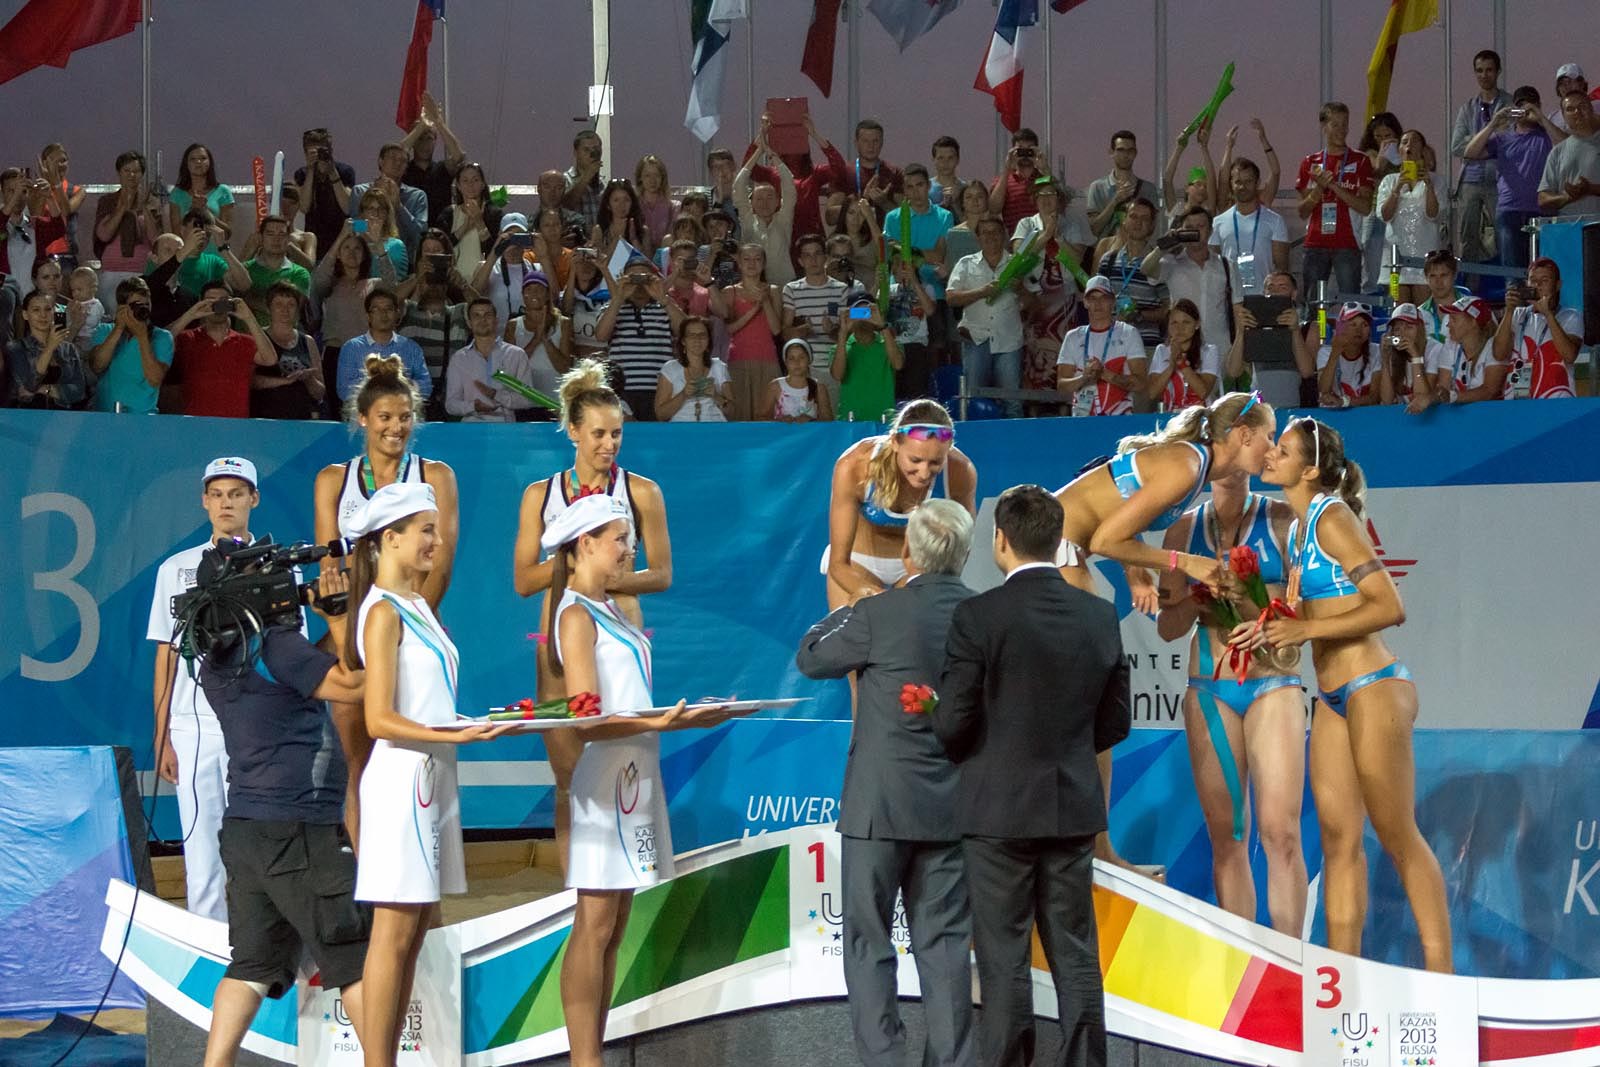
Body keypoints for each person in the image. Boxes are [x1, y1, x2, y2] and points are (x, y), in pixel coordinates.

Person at [930, 484, 1129, 1067]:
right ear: (1057, 539)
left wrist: (964, 745)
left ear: (1000, 539)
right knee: (1076, 955)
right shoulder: (1098, 614)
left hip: (996, 813)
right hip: (1071, 808)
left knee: (1004, 960)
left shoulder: (977, 616)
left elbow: (954, 721)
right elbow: (1115, 721)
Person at [1244, 418, 1452, 972]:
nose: (1270, 455)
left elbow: (1390, 606)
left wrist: (1305, 629)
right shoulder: (1297, 529)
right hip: (1332, 695)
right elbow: (1308, 616)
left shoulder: (1332, 517)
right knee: (1338, 841)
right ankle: (1342, 981)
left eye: (1282, 450)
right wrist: (1269, 625)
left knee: (1396, 835)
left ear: (1310, 469)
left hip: (1374, 686)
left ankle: (1442, 979)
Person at [541, 494, 736, 1067]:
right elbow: (587, 718)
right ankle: (584, 1059)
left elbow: (631, 702)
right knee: (595, 922)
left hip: (635, 773)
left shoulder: (612, 609)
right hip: (606, 782)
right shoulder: (575, 615)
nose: (631, 550)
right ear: (585, 545)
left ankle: (593, 1051)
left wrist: (687, 718)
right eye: (620, 540)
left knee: (616, 924)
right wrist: (665, 721)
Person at [796, 499, 978, 1067]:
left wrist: (849, 605)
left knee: (868, 942)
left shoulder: (879, 613)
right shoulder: (986, 616)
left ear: (907, 554)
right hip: (952, 809)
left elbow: (811, 658)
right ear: (965, 555)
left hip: (878, 808)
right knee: (946, 947)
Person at [345, 482, 509, 1067]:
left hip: (431, 777)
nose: (438, 541)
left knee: (414, 933)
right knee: (392, 933)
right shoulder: (382, 612)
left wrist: (470, 724)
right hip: (399, 783)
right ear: (389, 538)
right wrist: (453, 734)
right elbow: (379, 718)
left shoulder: (418, 606)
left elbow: (428, 703)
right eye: (426, 530)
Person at [197, 552, 368, 1067]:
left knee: (251, 964)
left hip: (246, 828)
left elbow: (300, 671)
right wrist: (340, 617)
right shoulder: (275, 645)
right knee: (353, 957)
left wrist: (325, 628)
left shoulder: (221, 656)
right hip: (300, 829)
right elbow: (353, 685)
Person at [511, 362, 673, 875]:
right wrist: (578, 559)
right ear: (573, 432)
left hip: (621, 634)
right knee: (568, 777)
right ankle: (574, 888)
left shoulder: (641, 491)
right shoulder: (541, 495)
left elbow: (662, 573)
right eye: (599, 434)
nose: (609, 444)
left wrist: (606, 578)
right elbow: (523, 580)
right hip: (560, 640)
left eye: (617, 433)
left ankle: (628, 880)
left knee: (626, 762)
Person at [1155, 471, 1306, 934]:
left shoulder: (1283, 520)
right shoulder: (1182, 531)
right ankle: (1245, 958)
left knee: (1280, 832)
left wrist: (1252, 599)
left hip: (1272, 683)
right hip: (1210, 688)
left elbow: (1304, 612)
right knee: (1228, 837)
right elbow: (1168, 628)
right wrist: (1198, 597)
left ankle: (1291, 958)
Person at [147, 457, 263, 924]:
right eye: (217, 495)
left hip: (254, 727)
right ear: (204, 502)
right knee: (201, 854)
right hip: (193, 728)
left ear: (253, 499)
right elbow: (167, 653)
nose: (225, 503)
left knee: (260, 845)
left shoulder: (275, 566)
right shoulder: (176, 569)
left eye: (236, 494)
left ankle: (264, 950)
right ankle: (209, 952)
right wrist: (162, 734)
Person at [824, 399, 977, 609]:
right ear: (895, 442)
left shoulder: (961, 472)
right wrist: (885, 602)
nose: (924, 473)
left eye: (935, 462)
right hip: (856, 562)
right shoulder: (854, 466)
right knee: (854, 629)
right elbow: (838, 564)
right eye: (915, 460)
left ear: (949, 449)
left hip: (919, 566)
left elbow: (962, 550)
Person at [1462, 85, 1561, 272]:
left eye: (1530, 105)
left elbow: (1566, 146)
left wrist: (1541, 118)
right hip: (1509, 212)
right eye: (1520, 106)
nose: (1524, 111)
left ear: (1538, 106)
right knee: (1513, 274)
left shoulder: (1545, 136)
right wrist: (1493, 124)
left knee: (1543, 272)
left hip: (1542, 211)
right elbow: (1470, 152)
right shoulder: (1503, 138)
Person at [947, 216, 1031, 417]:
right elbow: (951, 298)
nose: (991, 236)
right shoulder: (966, 264)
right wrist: (982, 292)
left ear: (1004, 236)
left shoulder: (1017, 264)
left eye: (995, 232)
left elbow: (1035, 303)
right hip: (976, 339)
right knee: (973, 400)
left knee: (1012, 402)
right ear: (977, 237)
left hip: (1009, 341)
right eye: (985, 232)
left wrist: (1021, 289)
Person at [1296, 102, 1374, 299]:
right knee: (1313, 304)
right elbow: (1302, 211)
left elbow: (1365, 207)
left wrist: (1334, 186)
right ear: (1324, 127)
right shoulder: (1310, 163)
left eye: (1345, 124)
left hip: (1347, 242)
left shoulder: (1360, 160)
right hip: (1315, 243)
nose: (1341, 130)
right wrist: (1319, 188)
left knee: (1351, 304)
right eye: (1335, 124)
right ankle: (1315, 322)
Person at [167, 281, 276, 418]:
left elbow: (270, 359)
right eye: (211, 301)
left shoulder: (245, 342)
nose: (217, 306)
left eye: (223, 301)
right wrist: (190, 314)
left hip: (235, 424)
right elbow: (159, 342)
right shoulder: (187, 338)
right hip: (195, 423)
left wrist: (248, 318)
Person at [595, 257, 682, 421]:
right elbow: (601, 336)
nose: (639, 283)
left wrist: (662, 298)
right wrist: (619, 298)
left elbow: (685, 331)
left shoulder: (665, 306)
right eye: (633, 278)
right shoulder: (612, 306)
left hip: (660, 389)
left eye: (644, 277)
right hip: (622, 389)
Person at [1450, 49, 1514, 271]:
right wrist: (1489, 138)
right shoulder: (1467, 108)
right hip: (1470, 179)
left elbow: (1511, 141)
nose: (1484, 75)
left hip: (1500, 180)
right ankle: (1470, 285)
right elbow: (1457, 147)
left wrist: (1476, 145)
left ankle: (1507, 284)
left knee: (1504, 236)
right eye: (1479, 71)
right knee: (1467, 238)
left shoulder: (1509, 104)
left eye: (1489, 70)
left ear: (1498, 71)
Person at [1142, 206, 1231, 353]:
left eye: (1200, 226)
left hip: (1220, 348)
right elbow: (1146, 269)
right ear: (1181, 231)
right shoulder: (1171, 262)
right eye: (1189, 228)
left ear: (1210, 231)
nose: (1195, 231)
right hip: (1183, 348)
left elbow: (1236, 308)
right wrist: (1164, 246)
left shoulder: (1226, 265)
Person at [1055, 275, 1147, 417]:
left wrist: (1104, 374)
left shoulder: (1128, 333)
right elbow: (1061, 386)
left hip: (1119, 418)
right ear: (1085, 302)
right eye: (1093, 298)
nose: (1098, 303)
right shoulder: (1073, 337)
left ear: (1112, 301)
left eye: (1104, 298)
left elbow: (1141, 384)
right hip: (1082, 420)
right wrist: (1084, 378)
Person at [1497, 257, 1581, 399]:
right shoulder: (1517, 314)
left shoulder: (1571, 316)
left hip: (1557, 400)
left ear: (1558, 285)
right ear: (1527, 283)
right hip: (1518, 401)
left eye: (1544, 280)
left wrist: (1548, 314)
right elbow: (1499, 354)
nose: (1538, 285)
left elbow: (1570, 355)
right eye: (1533, 280)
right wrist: (1509, 311)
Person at [444, 297, 540, 423]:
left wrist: (496, 395)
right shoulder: (459, 358)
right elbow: (451, 404)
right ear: (469, 323)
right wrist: (473, 406)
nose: (482, 320)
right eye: (476, 315)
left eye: (487, 315)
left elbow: (528, 399)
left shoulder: (516, 355)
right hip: (471, 427)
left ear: (496, 321)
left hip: (505, 428)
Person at [1092, 197, 1168, 355]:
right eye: (1133, 216)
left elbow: (1168, 310)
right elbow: (1096, 300)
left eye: (1144, 218)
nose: (1138, 222)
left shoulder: (1158, 262)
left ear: (1152, 226)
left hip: (1145, 346)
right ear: (1124, 221)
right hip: (1110, 343)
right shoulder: (1108, 260)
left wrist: (1139, 315)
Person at [88, 276, 173, 413]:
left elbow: (154, 379)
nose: (143, 309)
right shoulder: (104, 330)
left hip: (142, 416)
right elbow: (97, 366)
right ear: (122, 307)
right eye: (136, 305)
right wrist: (118, 328)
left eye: (146, 305)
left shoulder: (162, 337)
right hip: (105, 414)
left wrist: (142, 337)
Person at [1375, 131, 1442, 304]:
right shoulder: (1389, 181)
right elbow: (1385, 215)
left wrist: (1429, 185)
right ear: (1399, 150)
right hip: (1394, 264)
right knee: (1398, 312)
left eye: (1414, 142)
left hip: (1424, 262)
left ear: (1423, 149)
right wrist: (1397, 188)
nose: (1409, 146)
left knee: (1423, 313)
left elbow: (1433, 214)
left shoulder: (1436, 180)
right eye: (1404, 142)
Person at [335, 287, 431, 402]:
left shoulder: (411, 348)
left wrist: (401, 385)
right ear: (368, 316)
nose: (383, 314)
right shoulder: (351, 348)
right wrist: (380, 387)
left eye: (389, 309)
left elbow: (426, 387)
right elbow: (344, 390)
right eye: (376, 309)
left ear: (397, 314)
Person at [1211, 157, 1289, 299]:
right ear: (1231, 184)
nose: (1242, 187)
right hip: (1229, 299)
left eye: (1248, 181)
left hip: (1264, 298)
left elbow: (1282, 268)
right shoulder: (1218, 222)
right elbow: (1213, 266)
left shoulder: (1275, 221)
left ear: (1257, 183)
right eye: (1238, 182)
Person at [93, 150, 162, 308]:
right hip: (112, 271)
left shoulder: (152, 201)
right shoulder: (108, 201)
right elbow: (103, 235)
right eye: (127, 170)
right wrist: (122, 207)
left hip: (141, 271)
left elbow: (156, 239)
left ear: (142, 174)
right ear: (119, 173)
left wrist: (144, 207)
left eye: (136, 171)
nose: (131, 175)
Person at [733, 122, 798, 286]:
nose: (764, 203)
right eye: (759, 199)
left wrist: (772, 155)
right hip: (754, 286)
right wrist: (758, 151)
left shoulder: (784, 219)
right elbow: (739, 185)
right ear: (752, 203)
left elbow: (789, 185)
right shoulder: (748, 220)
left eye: (769, 198)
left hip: (784, 285)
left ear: (777, 201)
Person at [254, 282, 324, 420]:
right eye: (278, 304)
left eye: (291, 304)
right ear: (268, 308)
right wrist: (285, 381)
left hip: (301, 419)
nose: (285, 310)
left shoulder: (308, 341)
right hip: (264, 417)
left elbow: (320, 393)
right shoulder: (257, 338)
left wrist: (308, 378)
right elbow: (251, 382)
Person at [6, 288, 86, 408]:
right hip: (28, 415)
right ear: (25, 314)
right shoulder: (15, 348)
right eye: (36, 310)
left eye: (48, 309)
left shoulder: (68, 349)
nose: (43, 315)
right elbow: (28, 387)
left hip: (63, 416)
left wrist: (47, 389)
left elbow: (79, 391)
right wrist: (49, 348)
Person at [348, 143, 430, 258]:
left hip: (404, 258)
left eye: (403, 160)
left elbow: (420, 236)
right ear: (381, 162)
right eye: (393, 158)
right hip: (367, 257)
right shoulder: (360, 191)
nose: (398, 163)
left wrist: (398, 205)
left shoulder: (417, 196)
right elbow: (354, 228)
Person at [832, 294, 902, 422]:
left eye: (867, 313)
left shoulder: (889, 344)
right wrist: (843, 332)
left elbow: (898, 364)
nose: (863, 319)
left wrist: (882, 325)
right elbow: (837, 375)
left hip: (883, 419)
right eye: (857, 313)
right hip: (850, 420)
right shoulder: (841, 348)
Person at [401, 92, 466, 227]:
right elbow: (397, 154)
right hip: (411, 231)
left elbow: (458, 156)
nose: (425, 144)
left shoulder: (442, 169)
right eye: (420, 139)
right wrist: (422, 126)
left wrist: (437, 121)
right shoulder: (403, 170)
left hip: (441, 232)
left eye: (429, 139)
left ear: (435, 141)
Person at [293, 128, 357, 262]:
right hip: (314, 241)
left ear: (330, 151)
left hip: (341, 239)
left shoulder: (344, 171)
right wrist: (310, 170)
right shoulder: (302, 174)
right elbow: (304, 207)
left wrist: (332, 173)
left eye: (323, 151)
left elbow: (347, 207)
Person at [1146, 298, 1222, 410]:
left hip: (1200, 415)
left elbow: (1203, 392)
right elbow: (1152, 394)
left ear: (1197, 324)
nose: (1179, 328)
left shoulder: (1209, 351)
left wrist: (1181, 362)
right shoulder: (1161, 350)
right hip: (1170, 415)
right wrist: (1171, 367)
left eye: (1186, 322)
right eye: (1174, 323)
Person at [1086, 130, 1161, 241]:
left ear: (1135, 153)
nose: (1125, 155)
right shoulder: (1098, 187)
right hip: (1106, 249)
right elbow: (1095, 229)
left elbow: (1153, 228)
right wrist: (1115, 202)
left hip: (1138, 248)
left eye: (1130, 151)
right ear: (1111, 152)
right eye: (1120, 150)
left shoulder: (1148, 189)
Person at [1377, 302, 1451, 414]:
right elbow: (1387, 400)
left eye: (1409, 327)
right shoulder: (1393, 350)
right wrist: (1385, 360)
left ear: (1420, 330)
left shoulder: (1435, 349)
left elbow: (1422, 396)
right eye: (1397, 329)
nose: (1402, 333)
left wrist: (1415, 356)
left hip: (1431, 415)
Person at [655, 315, 730, 422]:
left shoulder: (719, 367)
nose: (697, 339)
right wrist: (683, 394)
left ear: (708, 340)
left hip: (715, 428)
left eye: (702, 335)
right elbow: (660, 415)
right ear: (683, 341)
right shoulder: (670, 368)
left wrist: (716, 396)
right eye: (692, 335)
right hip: (681, 429)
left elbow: (732, 411)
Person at [1538, 91, 1600, 217]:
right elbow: (1543, 198)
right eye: (1570, 109)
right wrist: (1567, 197)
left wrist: (1590, 189)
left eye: (1582, 106)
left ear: (1591, 109)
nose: (1577, 112)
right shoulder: (1557, 151)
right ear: (1563, 115)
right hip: (1568, 226)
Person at [1442, 295, 1509, 404]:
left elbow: (1489, 392)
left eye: (1454, 319)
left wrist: (1452, 397)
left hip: (1492, 413)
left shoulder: (1493, 346)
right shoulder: (1451, 347)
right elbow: (1443, 388)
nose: (1448, 324)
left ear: (1473, 322)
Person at [1316, 303, 1383, 409]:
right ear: (1340, 328)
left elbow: (1375, 397)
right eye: (1353, 324)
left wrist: (1344, 402)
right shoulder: (1326, 352)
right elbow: (1324, 391)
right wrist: (1335, 353)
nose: (1358, 330)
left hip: (1365, 414)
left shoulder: (1376, 351)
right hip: (1332, 414)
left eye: (1364, 325)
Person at [167, 143, 234, 234]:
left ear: (210, 162)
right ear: (186, 164)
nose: (198, 162)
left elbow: (227, 233)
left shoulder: (223, 191)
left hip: (215, 243)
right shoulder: (177, 193)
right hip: (188, 243)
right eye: (193, 159)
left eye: (203, 158)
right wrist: (193, 210)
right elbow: (176, 233)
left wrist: (205, 212)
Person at [765, 337, 833, 422]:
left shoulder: (819, 388)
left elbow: (828, 420)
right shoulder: (775, 386)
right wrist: (780, 421)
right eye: (791, 358)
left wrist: (811, 421)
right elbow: (761, 417)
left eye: (801, 357)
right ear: (785, 362)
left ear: (809, 360)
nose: (796, 362)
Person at [563, 130, 608, 234]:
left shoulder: (604, 184)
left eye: (596, 149)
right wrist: (587, 177)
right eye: (586, 150)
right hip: (575, 240)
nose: (592, 154)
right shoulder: (565, 180)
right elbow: (565, 207)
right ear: (576, 153)